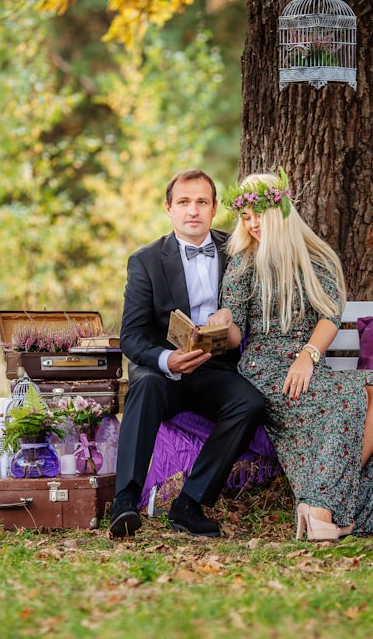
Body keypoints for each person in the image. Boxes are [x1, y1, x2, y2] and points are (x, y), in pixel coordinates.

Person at [215, 168, 373, 540]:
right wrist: (223, 322)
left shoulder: (315, 258)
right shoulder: (243, 262)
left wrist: (308, 355)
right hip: (265, 370)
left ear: (280, 211)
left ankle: (320, 501)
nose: (252, 225)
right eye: (246, 218)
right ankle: (320, 509)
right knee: (352, 397)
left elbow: (329, 316)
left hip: (308, 366)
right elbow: (235, 336)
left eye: (258, 216)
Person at [109, 169, 267, 538]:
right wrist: (167, 360)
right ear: (169, 209)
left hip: (216, 368)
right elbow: (131, 336)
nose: (192, 210)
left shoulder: (239, 252)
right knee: (143, 387)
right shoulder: (145, 260)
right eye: (184, 202)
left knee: (251, 404)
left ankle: (189, 502)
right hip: (165, 369)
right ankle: (125, 501)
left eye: (201, 202)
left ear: (214, 210)